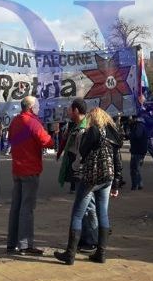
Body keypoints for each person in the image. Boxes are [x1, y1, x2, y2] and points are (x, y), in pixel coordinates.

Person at [54, 107, 122, 265]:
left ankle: (70, 254)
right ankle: (101, 253)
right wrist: (117, 182)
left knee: (77, 214)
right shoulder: (113, 133)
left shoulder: (92, 132)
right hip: (108, 177)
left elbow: (82, 153)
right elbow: (117, 160)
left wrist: (75, 169)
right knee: (102, 213)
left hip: (92, 177)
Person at [7, 96, 54, 255]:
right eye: (37, 106)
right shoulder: (33, 122)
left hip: (17, 168)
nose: (39, 108)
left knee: (16, 207)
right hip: (30, 169)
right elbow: (47, 142)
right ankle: (25, 244)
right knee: (27, 208)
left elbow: (12, 139)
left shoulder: (15, 121)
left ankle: (11, 242)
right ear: (31, 107)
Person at [56, 98, 97, 253]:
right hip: (80, 171)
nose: (67, 112)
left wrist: (76, 166)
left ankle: (91, 240)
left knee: (88, 207)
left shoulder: (84, 127)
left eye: (69, 109)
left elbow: (82, 151)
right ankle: (87, 238)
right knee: (87, 207)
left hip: (84, 172)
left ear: (76, 111)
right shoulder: (76, 126)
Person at [128, 115, 148, 190]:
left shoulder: (139, 126)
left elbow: (136, 135)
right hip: (139, 150)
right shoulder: (139, 125)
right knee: (136, 168)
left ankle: (135, 185)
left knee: (134, 168)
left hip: (138, 150)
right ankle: (139, 184)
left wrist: (129, 134)